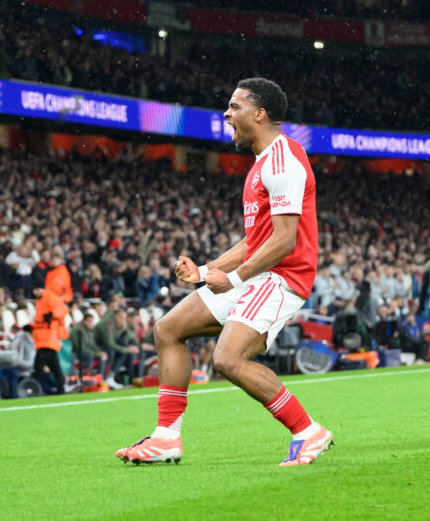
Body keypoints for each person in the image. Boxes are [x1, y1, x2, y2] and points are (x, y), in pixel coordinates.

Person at [116, 77, 333, 467]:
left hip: (282, 277)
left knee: (229, 359)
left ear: (259, 114)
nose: (226, 114)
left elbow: (284, 241)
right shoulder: (262, 163)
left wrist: (232, 279)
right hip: (259, 272)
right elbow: (255, 241)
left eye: (234, 106)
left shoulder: (282, 159)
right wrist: (205, 270)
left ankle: (307, 431)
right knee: (168, 329)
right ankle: (166, 438)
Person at [32, 285, 68, 395]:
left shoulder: (50, 297)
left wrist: (52, 314)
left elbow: (62, 310)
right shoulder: (41, 300)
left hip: (47, 339)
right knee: (55, 368)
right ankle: (60, 390)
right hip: (44, 341)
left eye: (35, 290)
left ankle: (37, 391)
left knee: (39, 369)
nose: (34, 293)